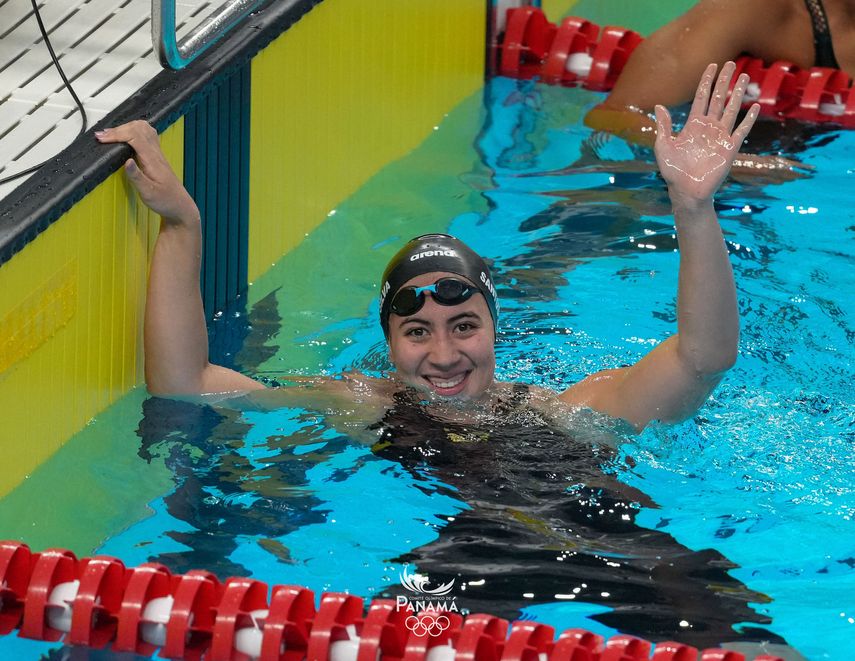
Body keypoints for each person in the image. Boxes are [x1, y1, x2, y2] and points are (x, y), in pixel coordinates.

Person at [95, 64, 796, 647]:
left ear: (494, 329)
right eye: (418, 332)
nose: (443, 353)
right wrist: (182, 224)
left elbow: (703, 357)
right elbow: (185, 381)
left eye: (463, 325)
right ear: (390, 343)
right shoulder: (365, 404)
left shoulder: (567, 409)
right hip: (465, 563)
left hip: (617, 553)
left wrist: (693, 209)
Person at [584, 0, 855, 180]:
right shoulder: (751, 9)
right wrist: (730, 165)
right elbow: (614, 116)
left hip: (767, 203)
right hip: (654, 191)